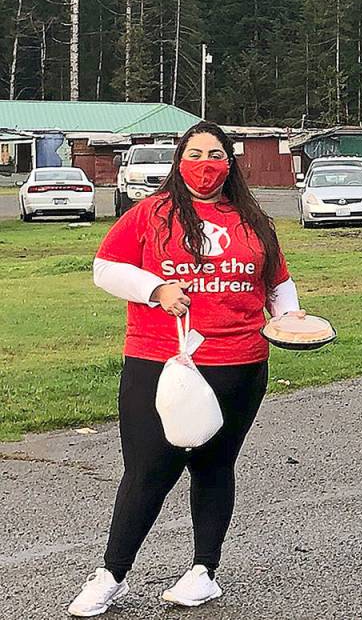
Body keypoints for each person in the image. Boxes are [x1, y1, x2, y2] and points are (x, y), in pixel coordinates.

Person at [68, 121, 302, 616]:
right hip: (160, 361)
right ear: (179, 160)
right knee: (148, 470)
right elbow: (105, 268)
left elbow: (277, 283)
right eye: (194, 153)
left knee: (214, 466)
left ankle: (204, 571)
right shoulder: (153, 213)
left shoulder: (254, 218)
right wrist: (156, 289)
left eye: (215, 153)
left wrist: (290, 320)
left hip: (239, 364)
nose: (205, 163)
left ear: (230, 161)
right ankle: (112, 573)